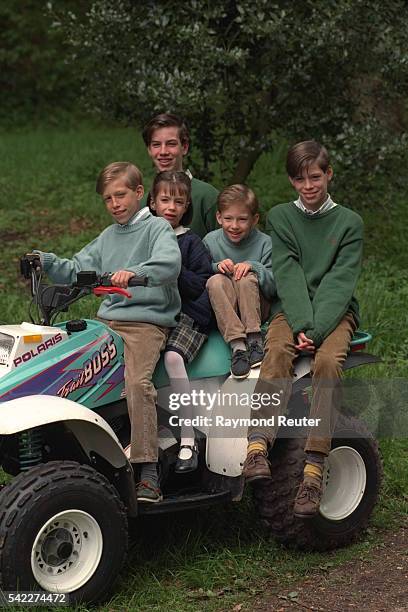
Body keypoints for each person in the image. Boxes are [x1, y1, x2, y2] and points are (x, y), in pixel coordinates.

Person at [33, 162, 181, 504]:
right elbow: (76, 268)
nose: (114, 204)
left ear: (139, 193)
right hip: (108, 322)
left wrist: (135, 272)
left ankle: (148, 471)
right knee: (67, 368)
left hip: (145, 323)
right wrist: (46, 261)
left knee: (137, 383)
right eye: (107, 199)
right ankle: (65, 458)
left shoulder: (158, 229)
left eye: (120, 195)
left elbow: (169, 264)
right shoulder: (108, 236)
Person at [242, 140, 364, 518]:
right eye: (299, 179)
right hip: (291, 310)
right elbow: (288, 273)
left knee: (327, 363)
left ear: (328, 174)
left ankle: (313, 471)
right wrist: (301, 323)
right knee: (276, 354)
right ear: (292, 181)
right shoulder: (282, 217)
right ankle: (257, 449)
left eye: (315, 177)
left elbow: (339, 282)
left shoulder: (349, 223)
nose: (308, 186)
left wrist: (318, 327)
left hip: (336, 312)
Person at [148, 170, 213, 472]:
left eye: (178, 201)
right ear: (152, 202)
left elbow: (201, 285)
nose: (171, 207)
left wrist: (173, 270)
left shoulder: (191, 243)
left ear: (186, 206)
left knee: (173, 358)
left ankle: (189, 439)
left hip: (189, 314)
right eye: (165, 200)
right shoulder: (144, 238)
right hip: (152, 312)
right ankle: (151, 433)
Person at [203, 184, 275, 379]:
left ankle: (254, 341)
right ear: (219, 218)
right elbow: (201, 272)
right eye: (228, 218)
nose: (234, 226)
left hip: (257, 308)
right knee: (215, 281)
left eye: (242, 219)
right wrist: (216, 266)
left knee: (245, 278)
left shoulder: (265, 243)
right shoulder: (210, 241)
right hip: (226, 309)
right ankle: (238, 347)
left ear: (254, 219)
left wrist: (254, 266)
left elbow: (275, 287)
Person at [141, 113, 219, 238]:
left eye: (171, 144)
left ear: (185, 147)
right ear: (149, 149)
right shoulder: (142, 204)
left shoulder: (208, 197)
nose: (163, 152)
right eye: (156, 145)